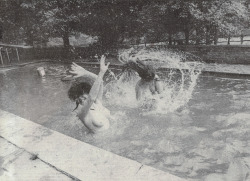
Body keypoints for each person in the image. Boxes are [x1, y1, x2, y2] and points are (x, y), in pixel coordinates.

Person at [68, 55, 111, 133]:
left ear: (88, 93)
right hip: (101, 142)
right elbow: (91, 98)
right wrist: (101, 72)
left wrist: (86, 73)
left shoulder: (97, 103)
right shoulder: (82, 112)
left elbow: (100, 82)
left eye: (83, 96)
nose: (80, 99)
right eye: (77, 97)